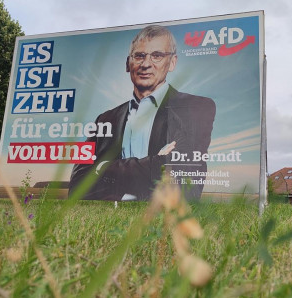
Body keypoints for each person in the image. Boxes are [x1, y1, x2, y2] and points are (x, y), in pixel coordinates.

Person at [69, 25, 216, 200]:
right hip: (110, 217)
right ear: (127, 63)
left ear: (172, 62)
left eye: (157, 56)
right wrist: (154, 163)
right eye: (139, 56)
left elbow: (182, 173)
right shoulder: (105, 119)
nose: (146, 64)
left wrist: (102, 168)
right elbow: (78, 183)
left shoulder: (196, 108)